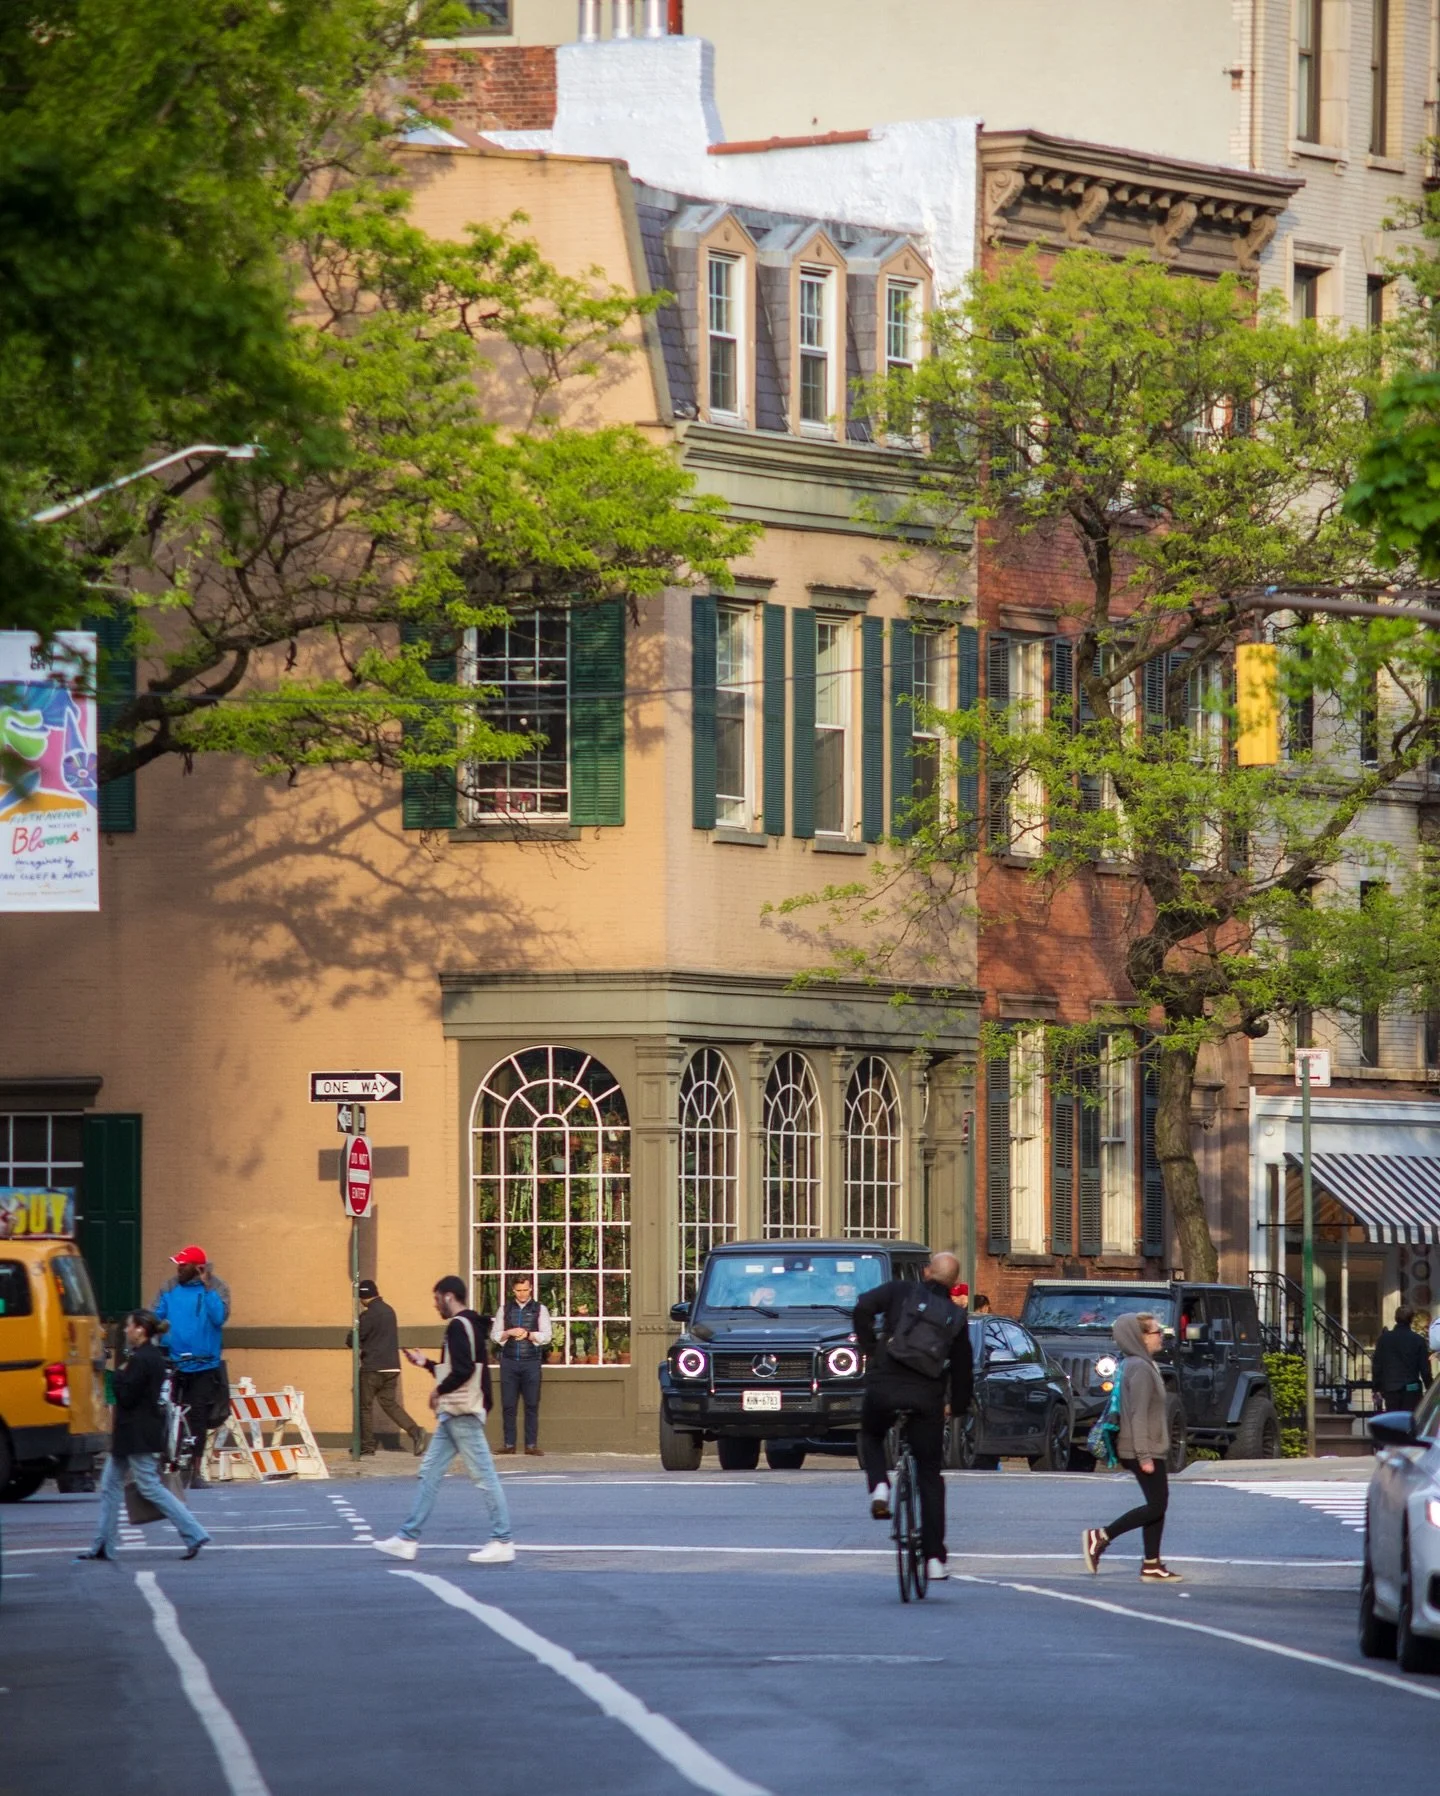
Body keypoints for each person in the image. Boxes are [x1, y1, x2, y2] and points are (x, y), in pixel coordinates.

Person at [374, 1276, 514, 1565]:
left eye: (437, 1298)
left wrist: (438, 1390)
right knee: (429, 1472)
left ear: (449, 1296)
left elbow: (462, 1370)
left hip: (460, 1412)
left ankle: (503, 1540)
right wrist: (425, 1363)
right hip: (455, 1413)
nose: (435, 1304)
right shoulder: (469, 1325)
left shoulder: (458, 1327)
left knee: (484, 1476)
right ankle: (407, 1538)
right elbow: (460, 1368)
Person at [853, 1251, 973, 1585]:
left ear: (926, 1272)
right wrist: (957, 1406)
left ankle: (879, 1485)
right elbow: (963, 1370)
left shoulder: (899, 1292)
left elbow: (862, 1306)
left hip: (885, 1384)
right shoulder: (955, 1316)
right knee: (930, 1476)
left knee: (872, 1434)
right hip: (926, 1398)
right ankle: (934, 1558)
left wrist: (870, 1348)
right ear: (954, 1283)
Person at [76, 1311, 210, 1563]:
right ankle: (103, 1544)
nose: (125, 1331)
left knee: (148, 1486)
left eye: (128, 1327)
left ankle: (194, 1532)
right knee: (111, 1486)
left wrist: (116, 1377)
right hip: (136, 1433)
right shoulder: (151, 1357)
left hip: (136, 1433)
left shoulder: (141, 1360)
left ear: (140, 1330)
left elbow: (127, 1396)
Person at [1083, 1312, 1181, 1582]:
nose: (1161, 1335)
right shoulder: (1139, 1367)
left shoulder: (1142, 1364)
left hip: (1149, 1446)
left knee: (1157, 1504)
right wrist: (1144, 1455)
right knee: (1156, 1505)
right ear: (1140, 1338)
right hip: (1142, 1448)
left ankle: (1152, 1564)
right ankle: (1100, 1536)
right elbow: (1137, 1414)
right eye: (1155, 1332)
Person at [153, 1244, 227, 1488]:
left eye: (183, 1265)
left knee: (198, 1418)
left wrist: (207, 1289)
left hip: (203, 1365)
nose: (178, 1268)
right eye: (178, 1264)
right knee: (163, 1410)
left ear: (198, 1268)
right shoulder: (169, 1287)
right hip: (173, 1362)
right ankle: (162, 1461)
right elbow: (156, 1315)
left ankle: (195, 1471)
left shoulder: (216, 1288)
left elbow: (219, 1318)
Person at [350, 1279, 426, 1457]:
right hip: (392, 1367)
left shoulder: (368, 1315)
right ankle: (415, 1432)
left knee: (365, 1406)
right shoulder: (390, 1311)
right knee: (389, 1404)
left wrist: (354, 1330)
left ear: (362, 1298)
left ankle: (367, 1446)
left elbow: (354, 1339)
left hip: (373, 1367)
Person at [491, 1275, 552, 1456]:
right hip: (509, 1361)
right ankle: (509, 1444)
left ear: (531, 1288)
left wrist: (528, 1335)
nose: (522, 1294)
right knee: (508, 1404)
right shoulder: (505, 1309)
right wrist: (509, 1332)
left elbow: (547, 1336)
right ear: (513, 1291)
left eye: (525, 1290)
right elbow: (495, 1335)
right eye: (519, 1290)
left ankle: (531, 1445)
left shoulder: (540, 1309)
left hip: (531, 1362)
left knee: (531, 1404)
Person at [1372, 1304, 1432, 1415]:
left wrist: (1376, 1387)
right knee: (1410, 1420)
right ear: (1411, 1319)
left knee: (1393, 1420)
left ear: (1396, 1318)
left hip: (1391, 1388)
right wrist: (1430, 1388)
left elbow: (1377, 1365)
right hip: (1412, 1388)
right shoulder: (1418, 1340)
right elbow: (1425, 1369)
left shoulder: (1384, 1339)